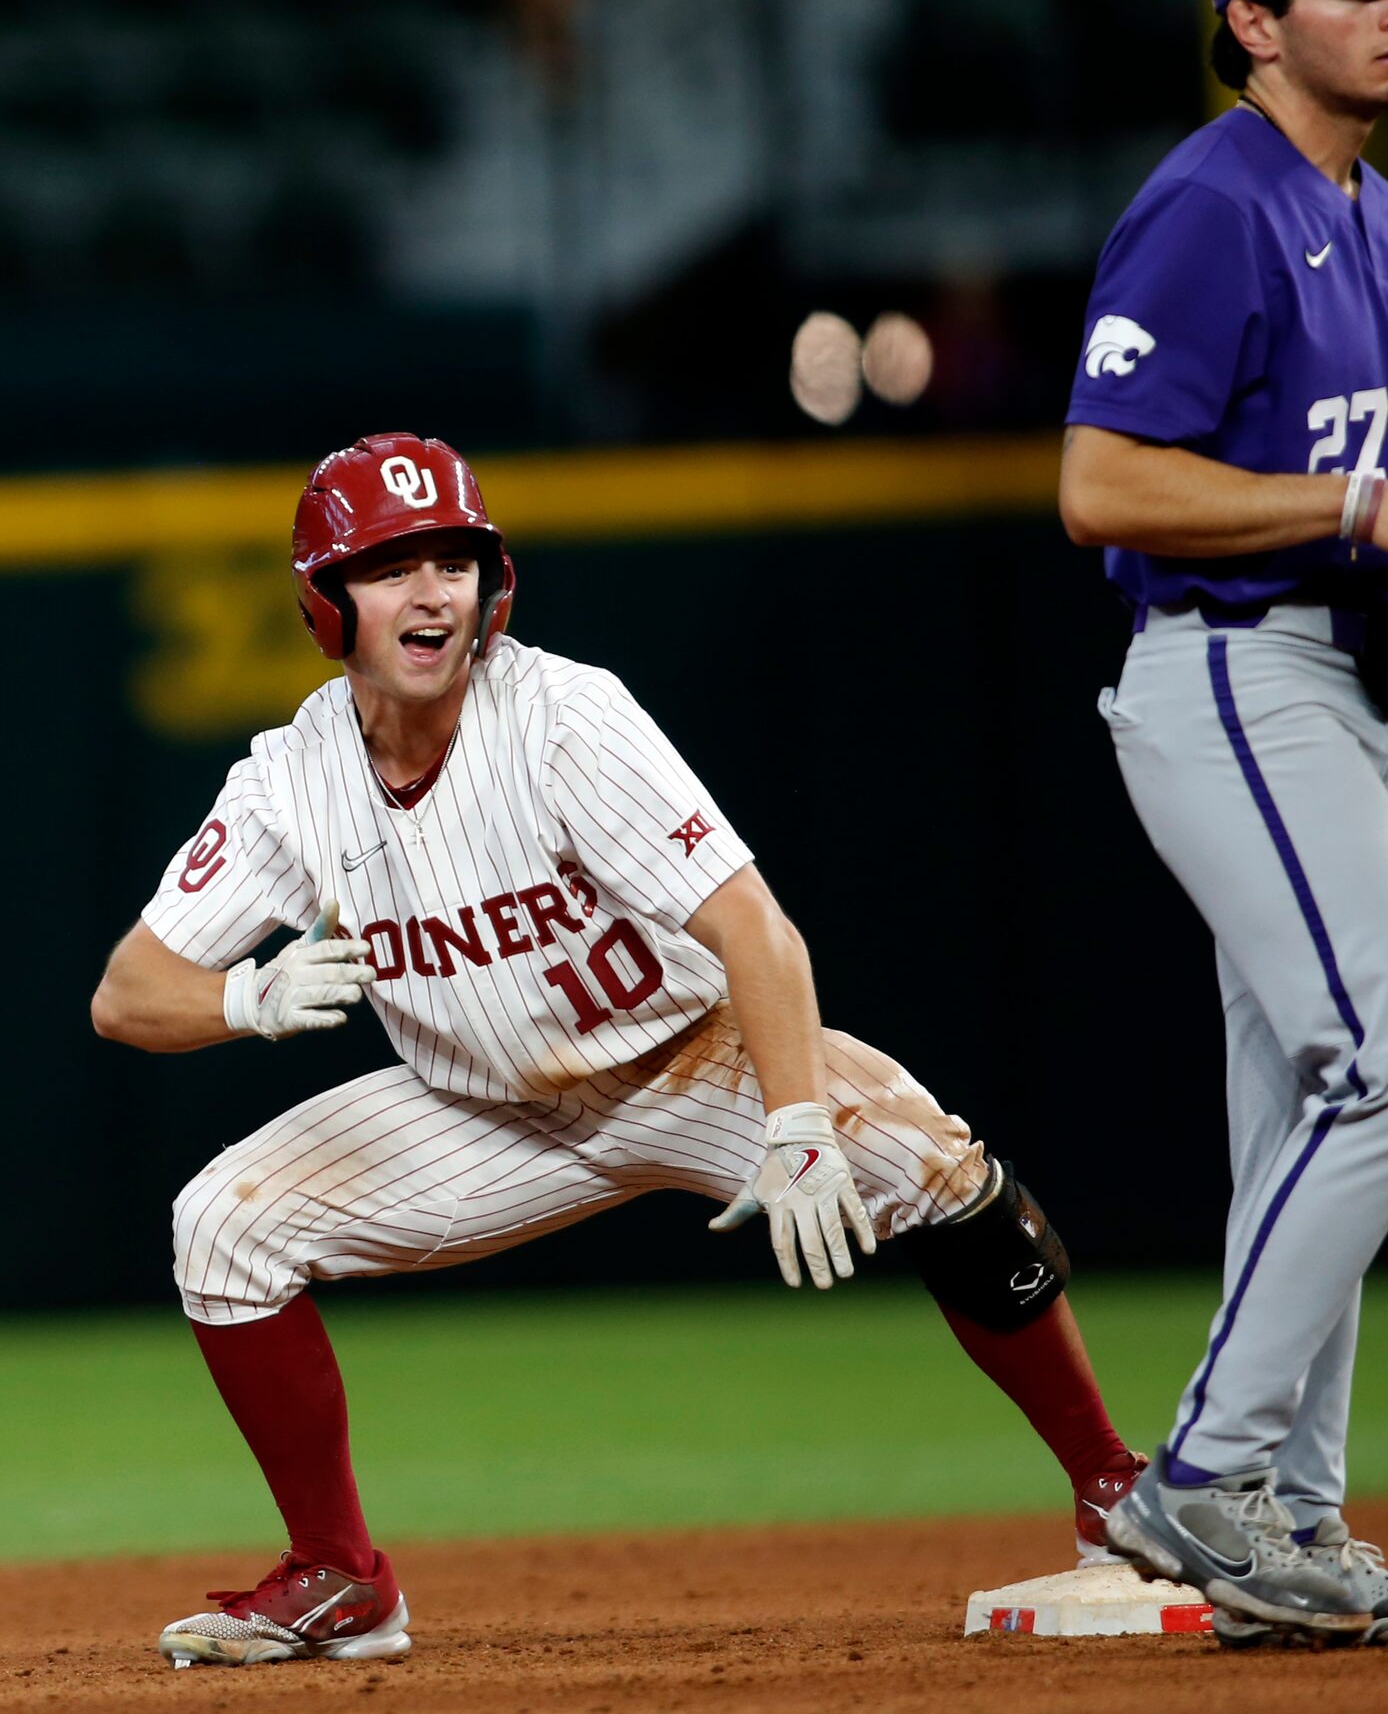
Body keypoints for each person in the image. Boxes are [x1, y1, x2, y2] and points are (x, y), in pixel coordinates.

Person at [92, 432, 1140, 1670]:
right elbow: (128, 992)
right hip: (477, 1107)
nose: (433, 591)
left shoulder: (564, 718)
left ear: (495, 586)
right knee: (223, 1224)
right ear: (326, 602)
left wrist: (797, 1123)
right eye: (390, 566)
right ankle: (339, 1577)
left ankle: (1116, 1491)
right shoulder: (292, 777)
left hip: (689, 1060)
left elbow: (755, 929)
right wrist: (248, 999)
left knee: (934, 1172)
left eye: (455, 560)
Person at [1058, 0, 1388, 1649]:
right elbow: (1100, 484)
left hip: (1355, 686)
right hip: (1236, 684)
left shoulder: (1380, 214)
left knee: (1307, 1115)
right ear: (1256, 22)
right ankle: (1204, 1476)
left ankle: (1293, 1522)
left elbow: (1365, 500)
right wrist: (1365, 505)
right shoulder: (1209, 202)